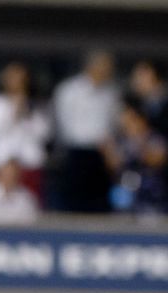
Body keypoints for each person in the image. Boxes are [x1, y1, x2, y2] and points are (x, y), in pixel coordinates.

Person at [52, 50, 118, 213]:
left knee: (99, 205)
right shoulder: (69, 90)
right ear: (93, 67)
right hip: (76, 154)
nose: (109, 71)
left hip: (102, 155)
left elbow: (113, 124)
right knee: (73, 205)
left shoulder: (111, 93)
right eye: (106, 67)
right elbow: (62, 123)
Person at [0, 63, 49, 198]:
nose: (16, 82)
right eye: (11, 78)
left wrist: (26, 112)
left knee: (28, 204)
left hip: (29, 162)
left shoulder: (36, 103)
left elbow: (44, 134)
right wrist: (13, 113)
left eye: (20, 78)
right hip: (0, 163)